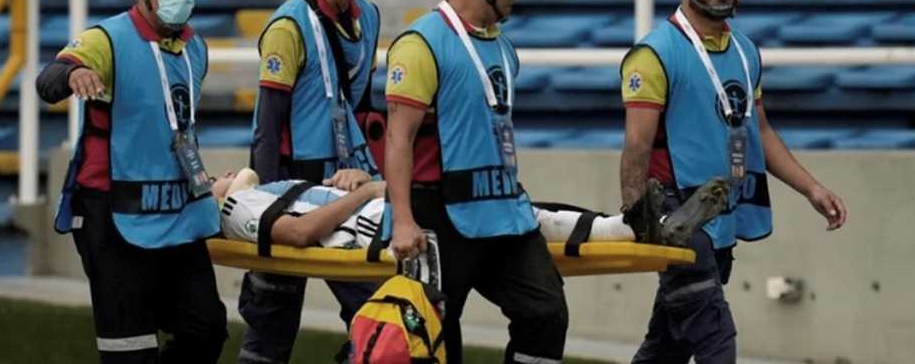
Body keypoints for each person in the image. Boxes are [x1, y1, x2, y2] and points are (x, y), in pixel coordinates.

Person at [617, 0, 850, 362]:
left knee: (667, 346)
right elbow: (636, 148)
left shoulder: (744, 51)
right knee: (715, 339)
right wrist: (640, 218)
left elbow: (759, 131)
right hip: (677, 218)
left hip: (720, 217)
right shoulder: (653, 54)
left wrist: (811, 189)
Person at [34, 0, 226, 362]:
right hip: (111, 213)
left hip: (177, 212)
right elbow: (47, 81)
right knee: (130, 351)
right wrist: (72, 74)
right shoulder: (107, 39)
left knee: (206, 331)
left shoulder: (196, 48)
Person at [383, 0, 573, 362]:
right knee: (436, 340)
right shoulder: (420, 44)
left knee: (546, 312)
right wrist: (404, 222)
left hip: (505, 211)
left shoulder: (504, 48)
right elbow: (398, 138)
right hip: (438, 213)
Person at [238, 0, 384, 362]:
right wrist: (264, 205)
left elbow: (360, 109)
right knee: (270, 326)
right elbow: (268, 124)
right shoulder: (287, 25)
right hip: (290, 189)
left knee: (379, 310)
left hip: (347, 187)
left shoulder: (370, 17)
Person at [212, 168, 730, 250]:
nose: (216, 177)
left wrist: (351, 178)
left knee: (517, 207)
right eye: (210, 181)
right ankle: (633, 229)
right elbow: (299, 235)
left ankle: (632, 228)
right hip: (382, 223)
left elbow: (318, 206)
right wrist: (368, 193)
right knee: (511, 212)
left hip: (381, 205)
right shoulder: (235, 206)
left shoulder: (273, 184)